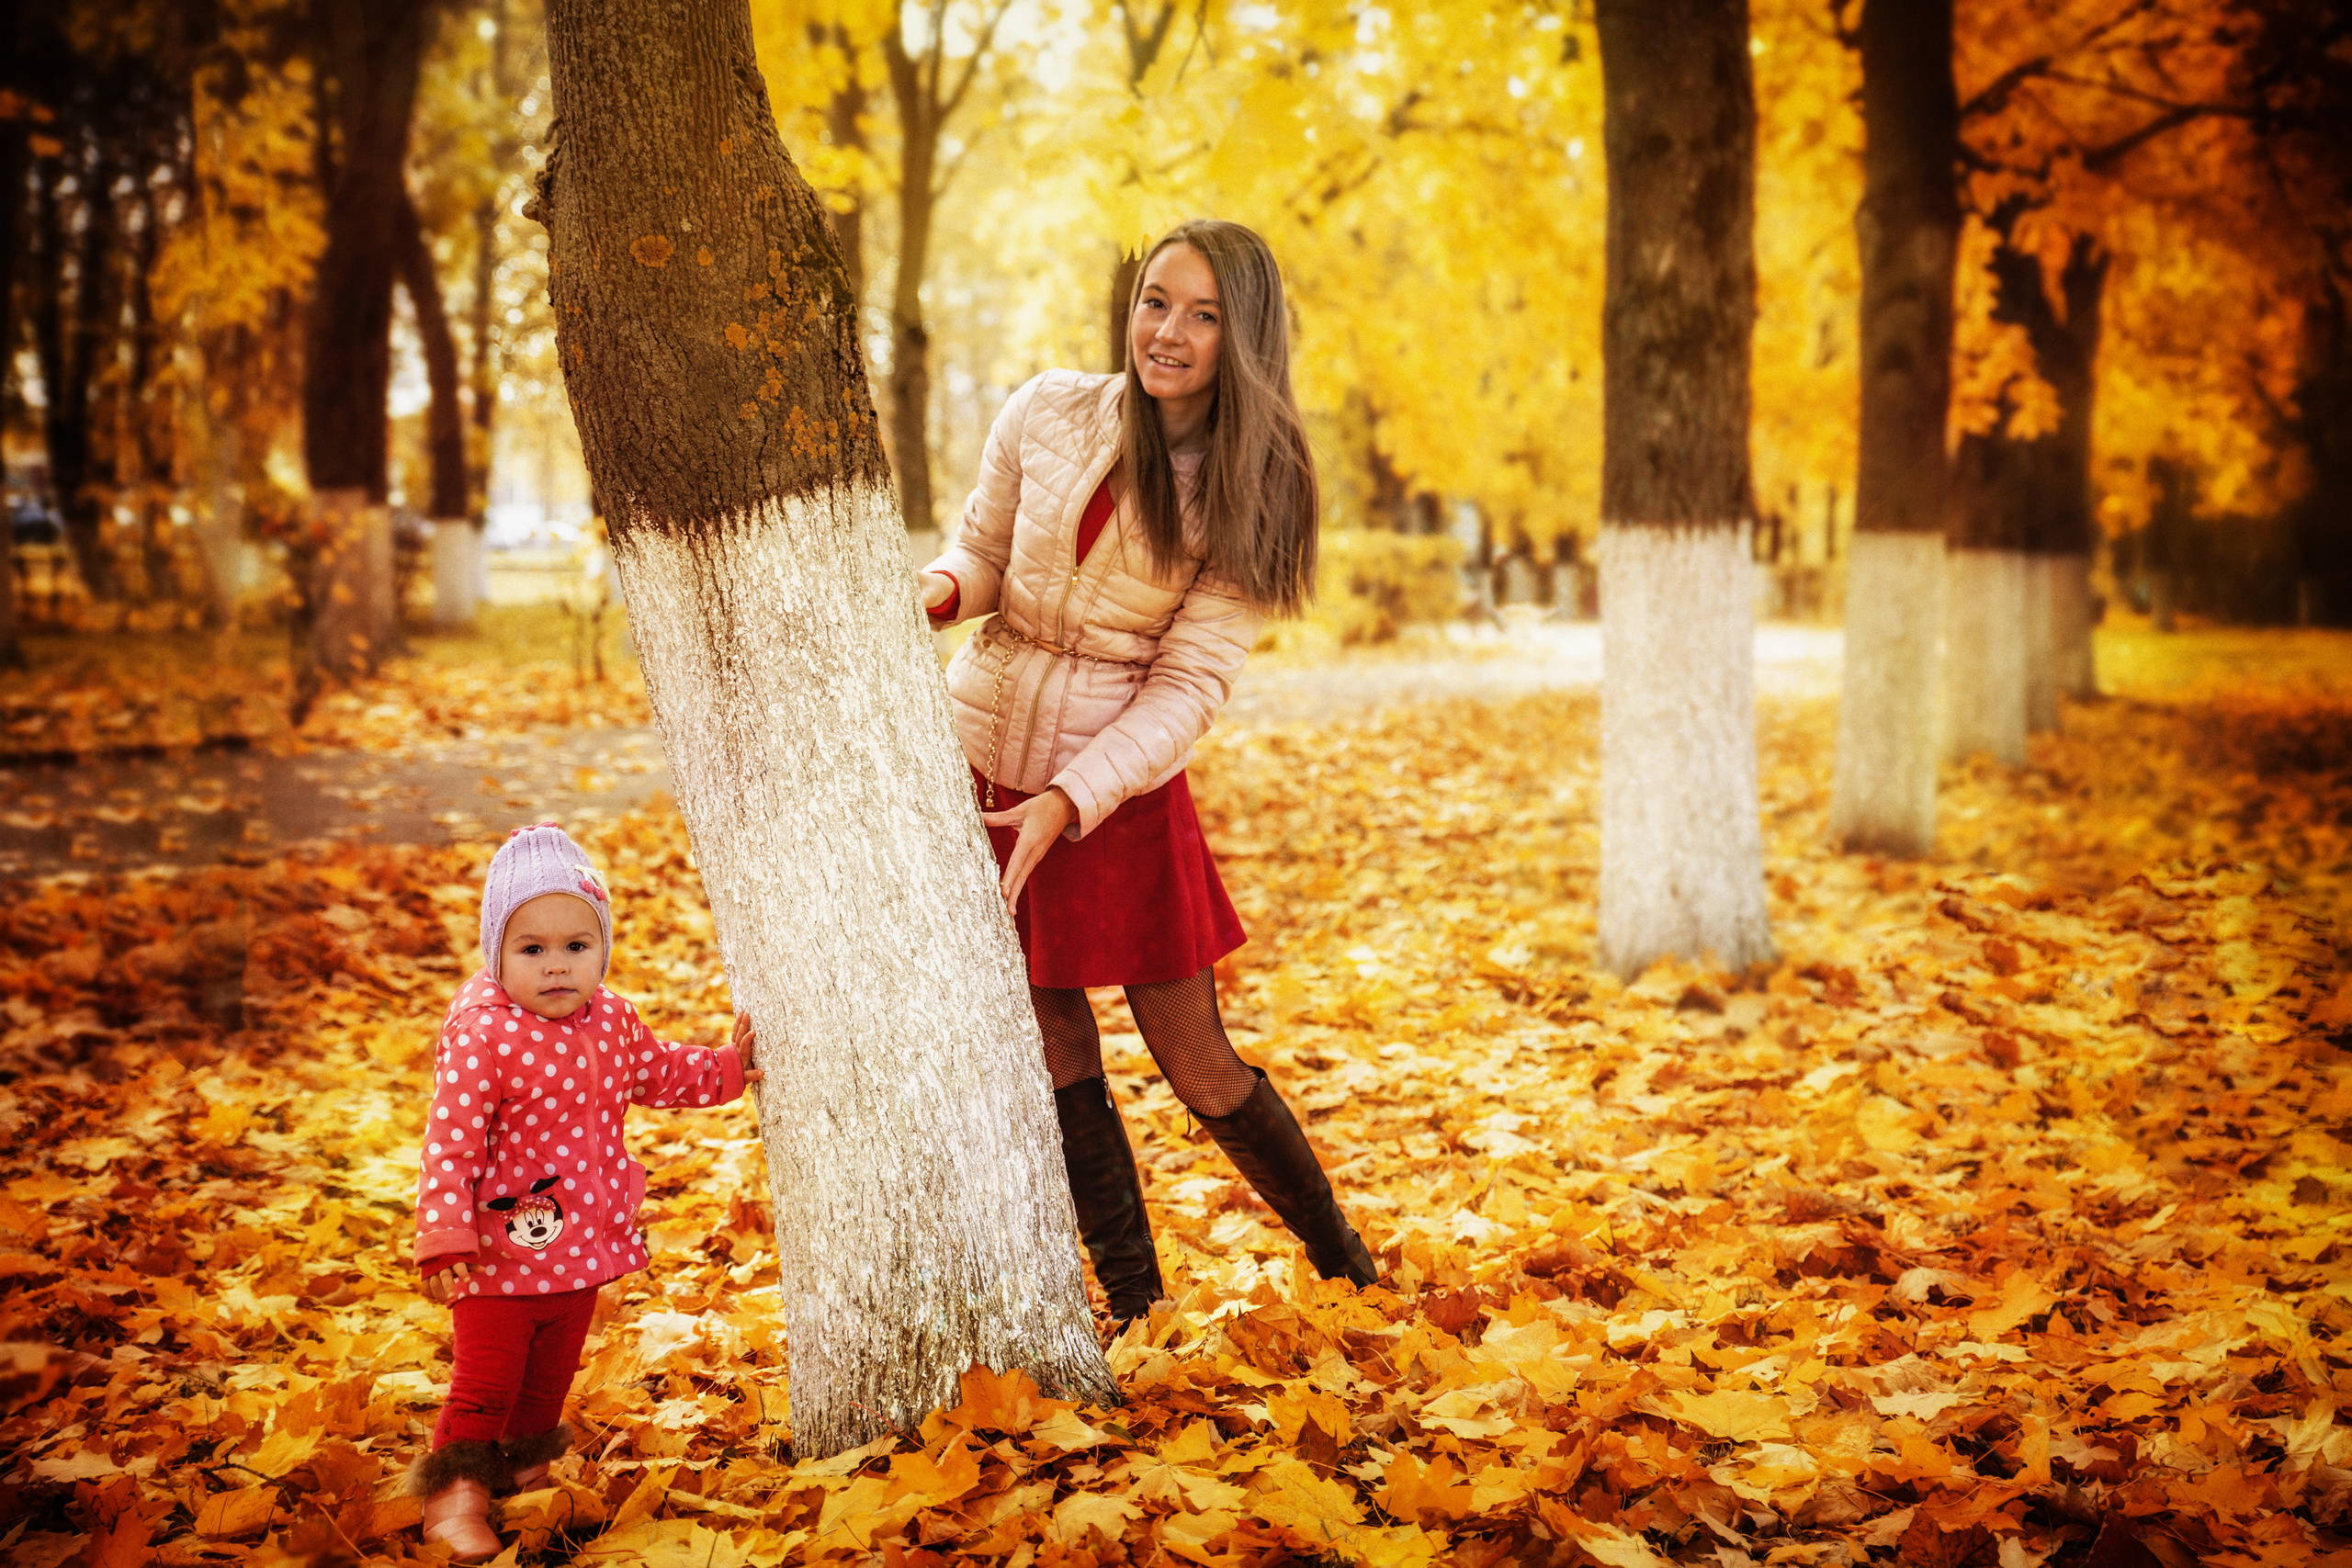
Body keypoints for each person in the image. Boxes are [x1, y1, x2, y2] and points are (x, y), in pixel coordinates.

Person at [919, 219, 1379, 1329]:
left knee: (1196, 1058)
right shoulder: (1045, 408)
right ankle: (1138, 1309)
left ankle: (1347, 1268)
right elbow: (982, 552)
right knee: (1055, 1038)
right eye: (1155, 301)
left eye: (1203, 314)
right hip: (983, 769)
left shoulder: (1250, 489)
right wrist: (933, 593)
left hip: (1111, 795)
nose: (1167, 331)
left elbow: (1188, 687)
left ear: (1244, 339)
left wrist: (1073, 799)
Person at [405, 821, 760, 1561]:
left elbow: (660, 1071)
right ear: (497, 952)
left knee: (545, 1386)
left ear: (601, 947)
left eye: (577, 945)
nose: (557, 966)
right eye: (531, 949)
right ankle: (454, 1496)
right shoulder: (483, 1034)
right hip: (497, 1260)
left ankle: (527, 1475)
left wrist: (727, 1069)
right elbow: (451, 1141)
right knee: (485, 1385)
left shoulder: (614, 1020)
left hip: (580, 1251)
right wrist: (444, 1235)